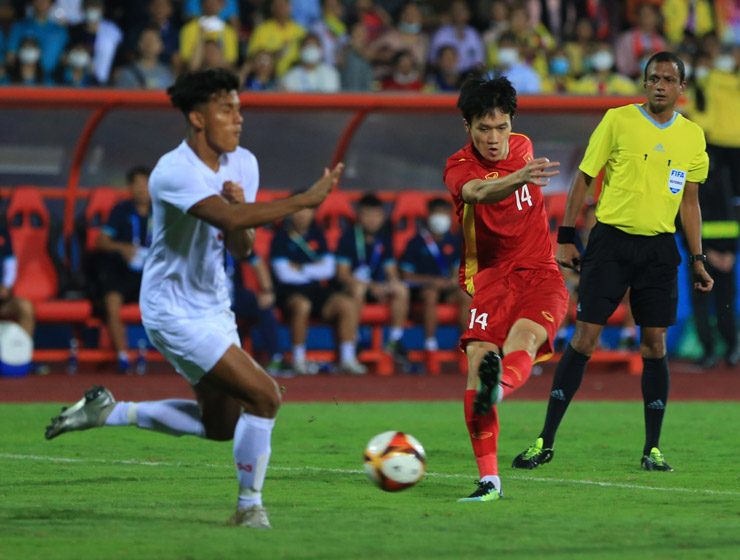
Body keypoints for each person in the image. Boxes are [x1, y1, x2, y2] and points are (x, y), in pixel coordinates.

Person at [45, 68, 343, 529]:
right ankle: (250, 508)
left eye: (239, 108)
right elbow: (224, 217)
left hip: (212, 306)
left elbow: (239, 246)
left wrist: (242, 213)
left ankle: (110, 411)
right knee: (265, 397)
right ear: (198, 117)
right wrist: (303, 201)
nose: (238, 119)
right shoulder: (173, 170)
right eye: (227, 109)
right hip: (171, 310)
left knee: (220, 427)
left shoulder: (244, 162)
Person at [513, 52, 712, 474]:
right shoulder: (617, 120)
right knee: (584, 340)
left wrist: (697, 258)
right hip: (611, 243)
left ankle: (652, 449)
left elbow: (690, 203)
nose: (659, 84)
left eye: (668, 79)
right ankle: (544, 441)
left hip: (659, 249)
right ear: (644, 83)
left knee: (654, 346)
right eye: (653, 78)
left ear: (681, 88)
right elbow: (585, 177)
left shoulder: (693, 136)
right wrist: (566, 237)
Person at [443, 74, 566, 502]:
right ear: (467, 127)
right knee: (479, 357)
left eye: (502, 127)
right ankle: (490, 480)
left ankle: (495, 390)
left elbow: (515, 164)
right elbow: (478, 193)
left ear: (512, 123)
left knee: (526, 339)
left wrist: (523, 172)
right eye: (483, 128)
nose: (494, 138)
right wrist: (521, 179)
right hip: (492, 277)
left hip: (540, 272)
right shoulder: (459, 167)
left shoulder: (524, 146)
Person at [270, 207, 366, 375]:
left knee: (347, 304)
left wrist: (300, 268)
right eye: (298, 210)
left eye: (307, 210)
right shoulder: (280, 238)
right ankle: (298, 360)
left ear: (313, 213)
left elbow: (328, 270)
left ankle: (347, 359)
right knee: (302, 305)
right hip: (290, 291)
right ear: (291, 213)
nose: (302, 215)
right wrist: (314, 269)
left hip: (317, 290)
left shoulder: (318, 235)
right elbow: (284, 274)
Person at [336, 193, 411, 368]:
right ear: (359, 216)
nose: (372, 220)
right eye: (367, 215)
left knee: (401, 289)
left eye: (376, 215)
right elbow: (342, 274)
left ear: (382, 217)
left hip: (377, 287)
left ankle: (394, 341)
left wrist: (390, 283)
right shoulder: (348, 238)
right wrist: (370, 286)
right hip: (355, 288)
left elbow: (390, 270)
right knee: (358, 289)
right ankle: (355, 338)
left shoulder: (384, 238)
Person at [96, 166, 152, 373]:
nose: (142, 189)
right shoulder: (120, 210)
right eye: (137, 184)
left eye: (146, 184)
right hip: (123, 272)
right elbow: (101, 241)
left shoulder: (162, 212)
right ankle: (123, 357)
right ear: (129, 187)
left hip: (151, 274)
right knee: (112, 301)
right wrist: (123, 247)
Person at [399, 197, 468, 354]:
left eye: (444, 213)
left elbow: (458, 269)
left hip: (448, 290)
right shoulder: (415, 242)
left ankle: (464, 342)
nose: (441, 218)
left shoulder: (455, 241)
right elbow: (406, 275)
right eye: (437, 213)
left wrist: (453, 280)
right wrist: (433, 282)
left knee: (466, 295)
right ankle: (430, 344)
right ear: (428, 216)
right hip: (423, 292)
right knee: (431, 295)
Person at [225, 251, 287, 376]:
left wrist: (267, 291)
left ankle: (276, 357)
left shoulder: (231, 240)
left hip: (236, 294)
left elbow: (257, 262)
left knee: (263, 305)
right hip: (209, 297)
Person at [0, 223, 35, 340]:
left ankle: (21, 351)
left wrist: (6, 285)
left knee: (25, 307)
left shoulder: (2, 231)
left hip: (3, 301)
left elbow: (10, 262)